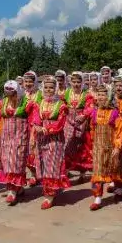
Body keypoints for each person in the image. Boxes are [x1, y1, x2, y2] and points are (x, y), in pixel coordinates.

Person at [0, 80, 37, 205]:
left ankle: (12, 191)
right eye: (8, 94)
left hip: (21, 137)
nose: (11, 97)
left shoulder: (27, 103)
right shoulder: (3, 103)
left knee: (17, 162)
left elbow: (34, 121)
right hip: (6, 137)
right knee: (7, 162)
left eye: (13, 94)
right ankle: (17, 188)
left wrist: (32, 136)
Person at [32, 75, 70, 210]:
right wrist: (36, 126)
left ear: (56, 89)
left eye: (51, 88)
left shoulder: (61, 105)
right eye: (46, 87)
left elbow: (60, 124)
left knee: (52, 167)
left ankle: (49, 196)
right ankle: (49, 190)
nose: (48, 90)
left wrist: (45, 129)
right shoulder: (39, 104)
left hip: (55, 140)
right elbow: (35, 118)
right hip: (41, 139)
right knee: (43, 165)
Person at [88, 84, 122, 211]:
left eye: (104, 94)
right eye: (99, 95)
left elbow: (120, 130)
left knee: (114, 168)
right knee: (98, 171)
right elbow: (92, 129)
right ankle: (97, 198)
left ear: (108, 96)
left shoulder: (114, 113)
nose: (101, 97)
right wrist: (92, 145)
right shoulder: (94, 112)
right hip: (98, 146)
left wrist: (117, 146)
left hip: (111, 146)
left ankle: (119, 190)